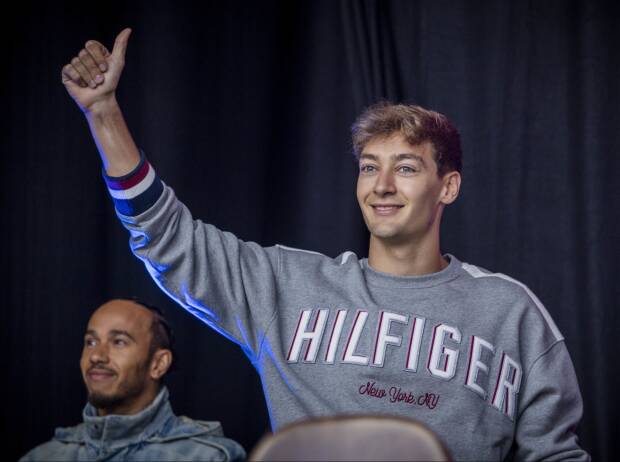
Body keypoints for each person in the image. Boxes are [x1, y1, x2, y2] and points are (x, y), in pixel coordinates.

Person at [60, 28, 590, 460]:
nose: (381, 186)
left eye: (405, 168)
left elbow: (556, 456)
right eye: (368, 168)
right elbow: (167, 238)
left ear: (447, 186)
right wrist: (102, 113)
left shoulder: (511, 311)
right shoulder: (287, 287)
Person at [20, 298, 245, 461]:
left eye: (119, 342)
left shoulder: (208, 457)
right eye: (91, 341)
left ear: (158, 364)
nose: (97, 355)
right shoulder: (44, 456)